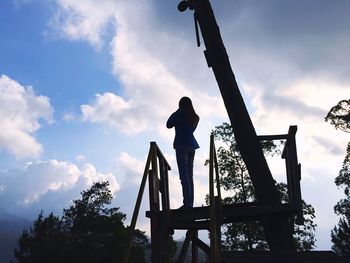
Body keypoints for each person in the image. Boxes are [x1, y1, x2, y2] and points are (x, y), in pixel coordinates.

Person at [166, 97, 199, 209]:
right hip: (192, 145)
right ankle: (190, 203)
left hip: (181, 145)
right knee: (189, 176)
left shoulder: (180, 113)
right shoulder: (194, 117)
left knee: (184, 175)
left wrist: (178, 110)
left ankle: (187, 203)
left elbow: (168, 124)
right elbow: (191, 130)